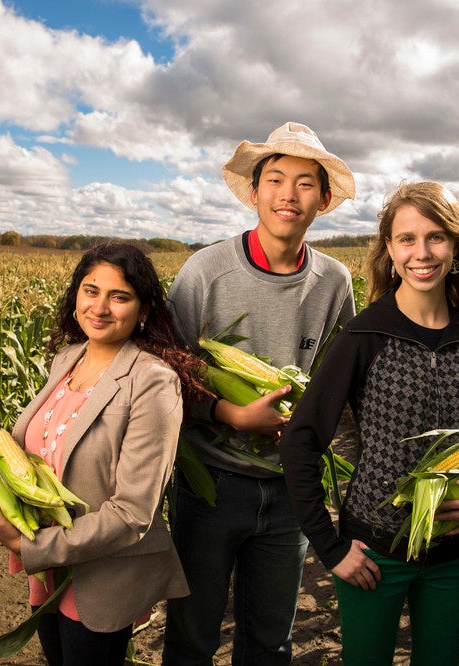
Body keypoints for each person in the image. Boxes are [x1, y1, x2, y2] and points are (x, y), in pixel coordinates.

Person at [278, 181, 459, 664]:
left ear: (456, 248)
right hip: (373, 554)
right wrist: (330, 547)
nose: (422, 252)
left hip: (455, 557)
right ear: (389, 250)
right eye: (407, 239)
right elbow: (301, 442)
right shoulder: (363, 335)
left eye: (436, 237)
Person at [163, 121, 357, 665]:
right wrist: (228, 412)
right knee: (192, 637)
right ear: (254, 193)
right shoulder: (206, 273)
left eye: (304, 183)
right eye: (275, 180)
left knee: (270, 643)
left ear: (322, 200)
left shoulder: (335, 281)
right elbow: (165, 376)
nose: (287, 195)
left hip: (290, 489)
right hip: (210, 487)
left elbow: (344, 379)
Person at [0, 242, 208, 666]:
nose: (100, 307)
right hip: (51, 571)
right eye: (90, 290)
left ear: (144, 310)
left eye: (120, 296)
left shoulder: (152, 381)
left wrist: (34, 545)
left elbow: (133, 512)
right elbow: (43, 454)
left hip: (101, 576)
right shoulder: (67, 358)